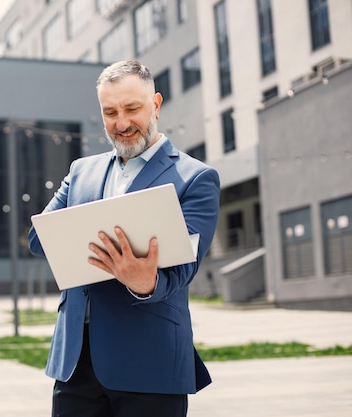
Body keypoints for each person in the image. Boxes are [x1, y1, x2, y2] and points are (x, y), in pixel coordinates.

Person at [28, 60, 220, 417]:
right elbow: (40, 240)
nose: (121, 123)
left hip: (149, 363)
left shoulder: (196, 178)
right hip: (76, 363)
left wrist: (145, 283)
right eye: (110, 112)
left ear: (156, 105)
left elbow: (184, 268)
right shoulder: (80, 171)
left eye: (132, 109)